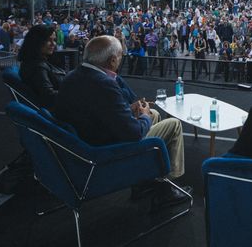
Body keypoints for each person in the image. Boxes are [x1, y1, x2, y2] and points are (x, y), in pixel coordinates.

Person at [55, 36, 191, 209]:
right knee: (173, 124)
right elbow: (133, 133)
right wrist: (143, 117)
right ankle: (166, 187)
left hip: (87, 137)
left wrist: (129, 110)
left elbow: (100, 109)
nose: (121, 59)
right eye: (120, 56)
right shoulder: (103, 84)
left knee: (155, 113)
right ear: (112, 60)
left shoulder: (73, 76)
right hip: (107, 149)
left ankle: (144, 181)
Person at [17, 24, 65, 108]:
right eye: (48, 40)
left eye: (54, 40)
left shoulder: (38, 62)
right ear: (37, 41)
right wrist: (73, 92)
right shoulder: (38, 67)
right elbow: (49, 96)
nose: (53, 44)